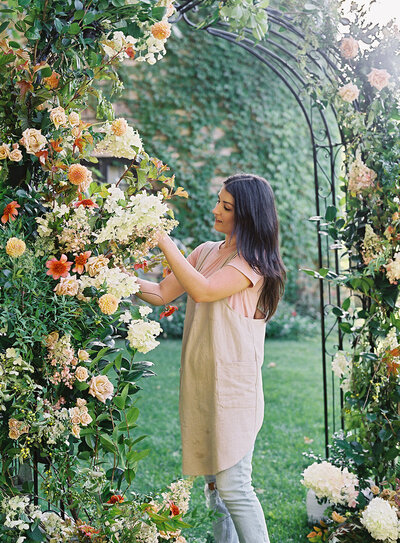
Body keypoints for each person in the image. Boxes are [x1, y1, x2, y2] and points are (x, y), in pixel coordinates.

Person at [135, 173, 286, 543]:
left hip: (235, 391)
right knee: (217, 492)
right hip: (203, 383)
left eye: (226, 206)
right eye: (218, 201)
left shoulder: (252, 266)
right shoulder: (204, 253)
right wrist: (109, 276)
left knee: (234, 486)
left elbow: (201, 291)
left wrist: (160, 237)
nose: (215, 210)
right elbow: (159, 292)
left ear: (247, 216)